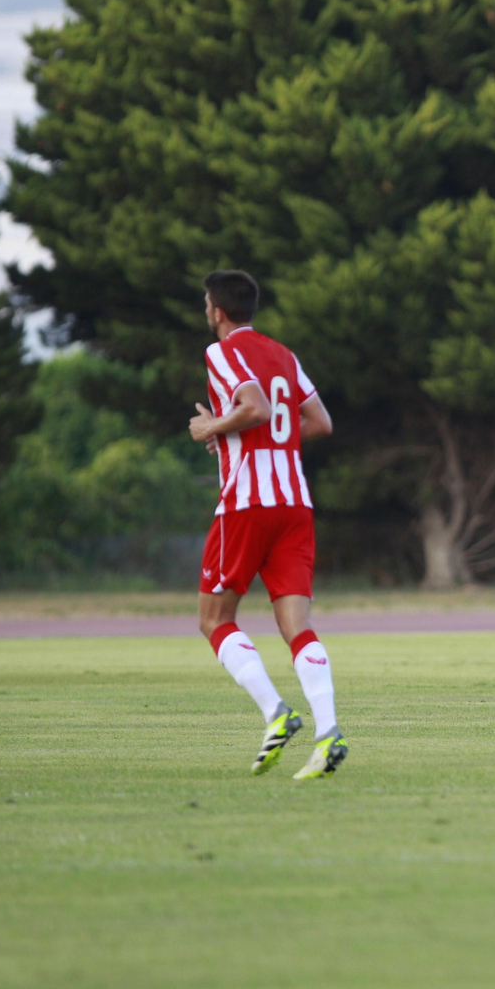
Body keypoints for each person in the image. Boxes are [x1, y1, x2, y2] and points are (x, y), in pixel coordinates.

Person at [189, 270, 346, 780]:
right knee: (296, 626)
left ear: (216, 310)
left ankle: (278, 714)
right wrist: (251, 442)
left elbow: (252, 406)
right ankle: (328, 735)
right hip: (294, 503)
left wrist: (211, 427)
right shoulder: (284, 354)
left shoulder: (220, 353)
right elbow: (319, 422)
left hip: (246, 504)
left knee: (215, 619)